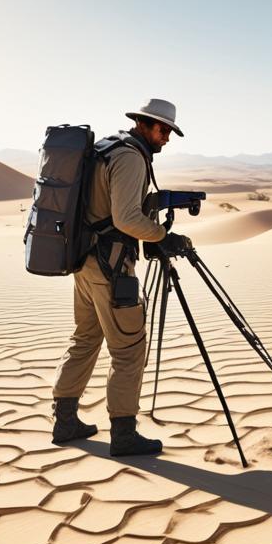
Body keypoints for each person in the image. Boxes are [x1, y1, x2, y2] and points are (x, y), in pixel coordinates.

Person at [50, 99, 192, 456]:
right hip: (111, 267)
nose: (166, 138)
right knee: (129, 349)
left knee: (85, 338)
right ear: (143, 124)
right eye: (162, 130)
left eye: (169, 132)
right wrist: (162, 236)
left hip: (84, 262)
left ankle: (65, 421)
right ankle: (124, 433)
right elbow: (126, 219)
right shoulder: (129, 157)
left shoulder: (106, 148)